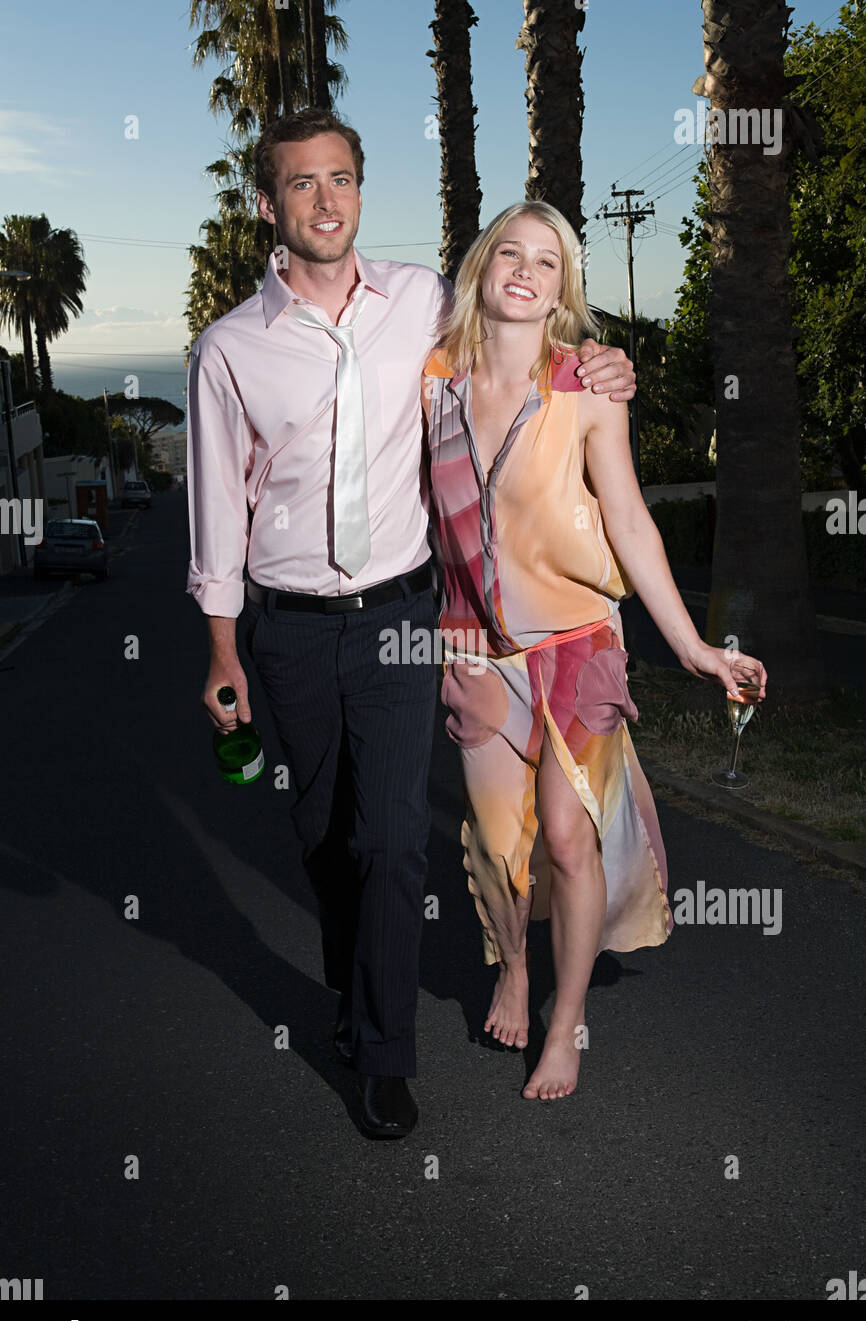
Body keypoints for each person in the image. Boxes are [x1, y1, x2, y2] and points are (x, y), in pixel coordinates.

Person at [185, 109, 637, 1139]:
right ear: (268, 205)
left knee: (392, 842)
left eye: (341, 177)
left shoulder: (424, 300)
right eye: (303, 184)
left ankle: (384, 1054)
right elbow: (215, 509)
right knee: (323, 839)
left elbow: (524, 334)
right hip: (289, 629)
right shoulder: (227, 351)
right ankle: (351, 985)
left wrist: (603, 362)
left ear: (359, 189)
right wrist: (222, 648)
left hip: (399, 616)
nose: (327, 199)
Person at [422, 201, 767, 1102]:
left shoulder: (584, 386)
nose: (527, 270)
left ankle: (566, 1018)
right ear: (482, 268)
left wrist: (692, 645)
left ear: (563, 291)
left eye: (549, 261)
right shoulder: (432, 378)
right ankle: (515, 968)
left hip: (577, 644)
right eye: (511, 252)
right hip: (479, 653)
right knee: (503, 848)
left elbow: (628, 517)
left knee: (569, 838)